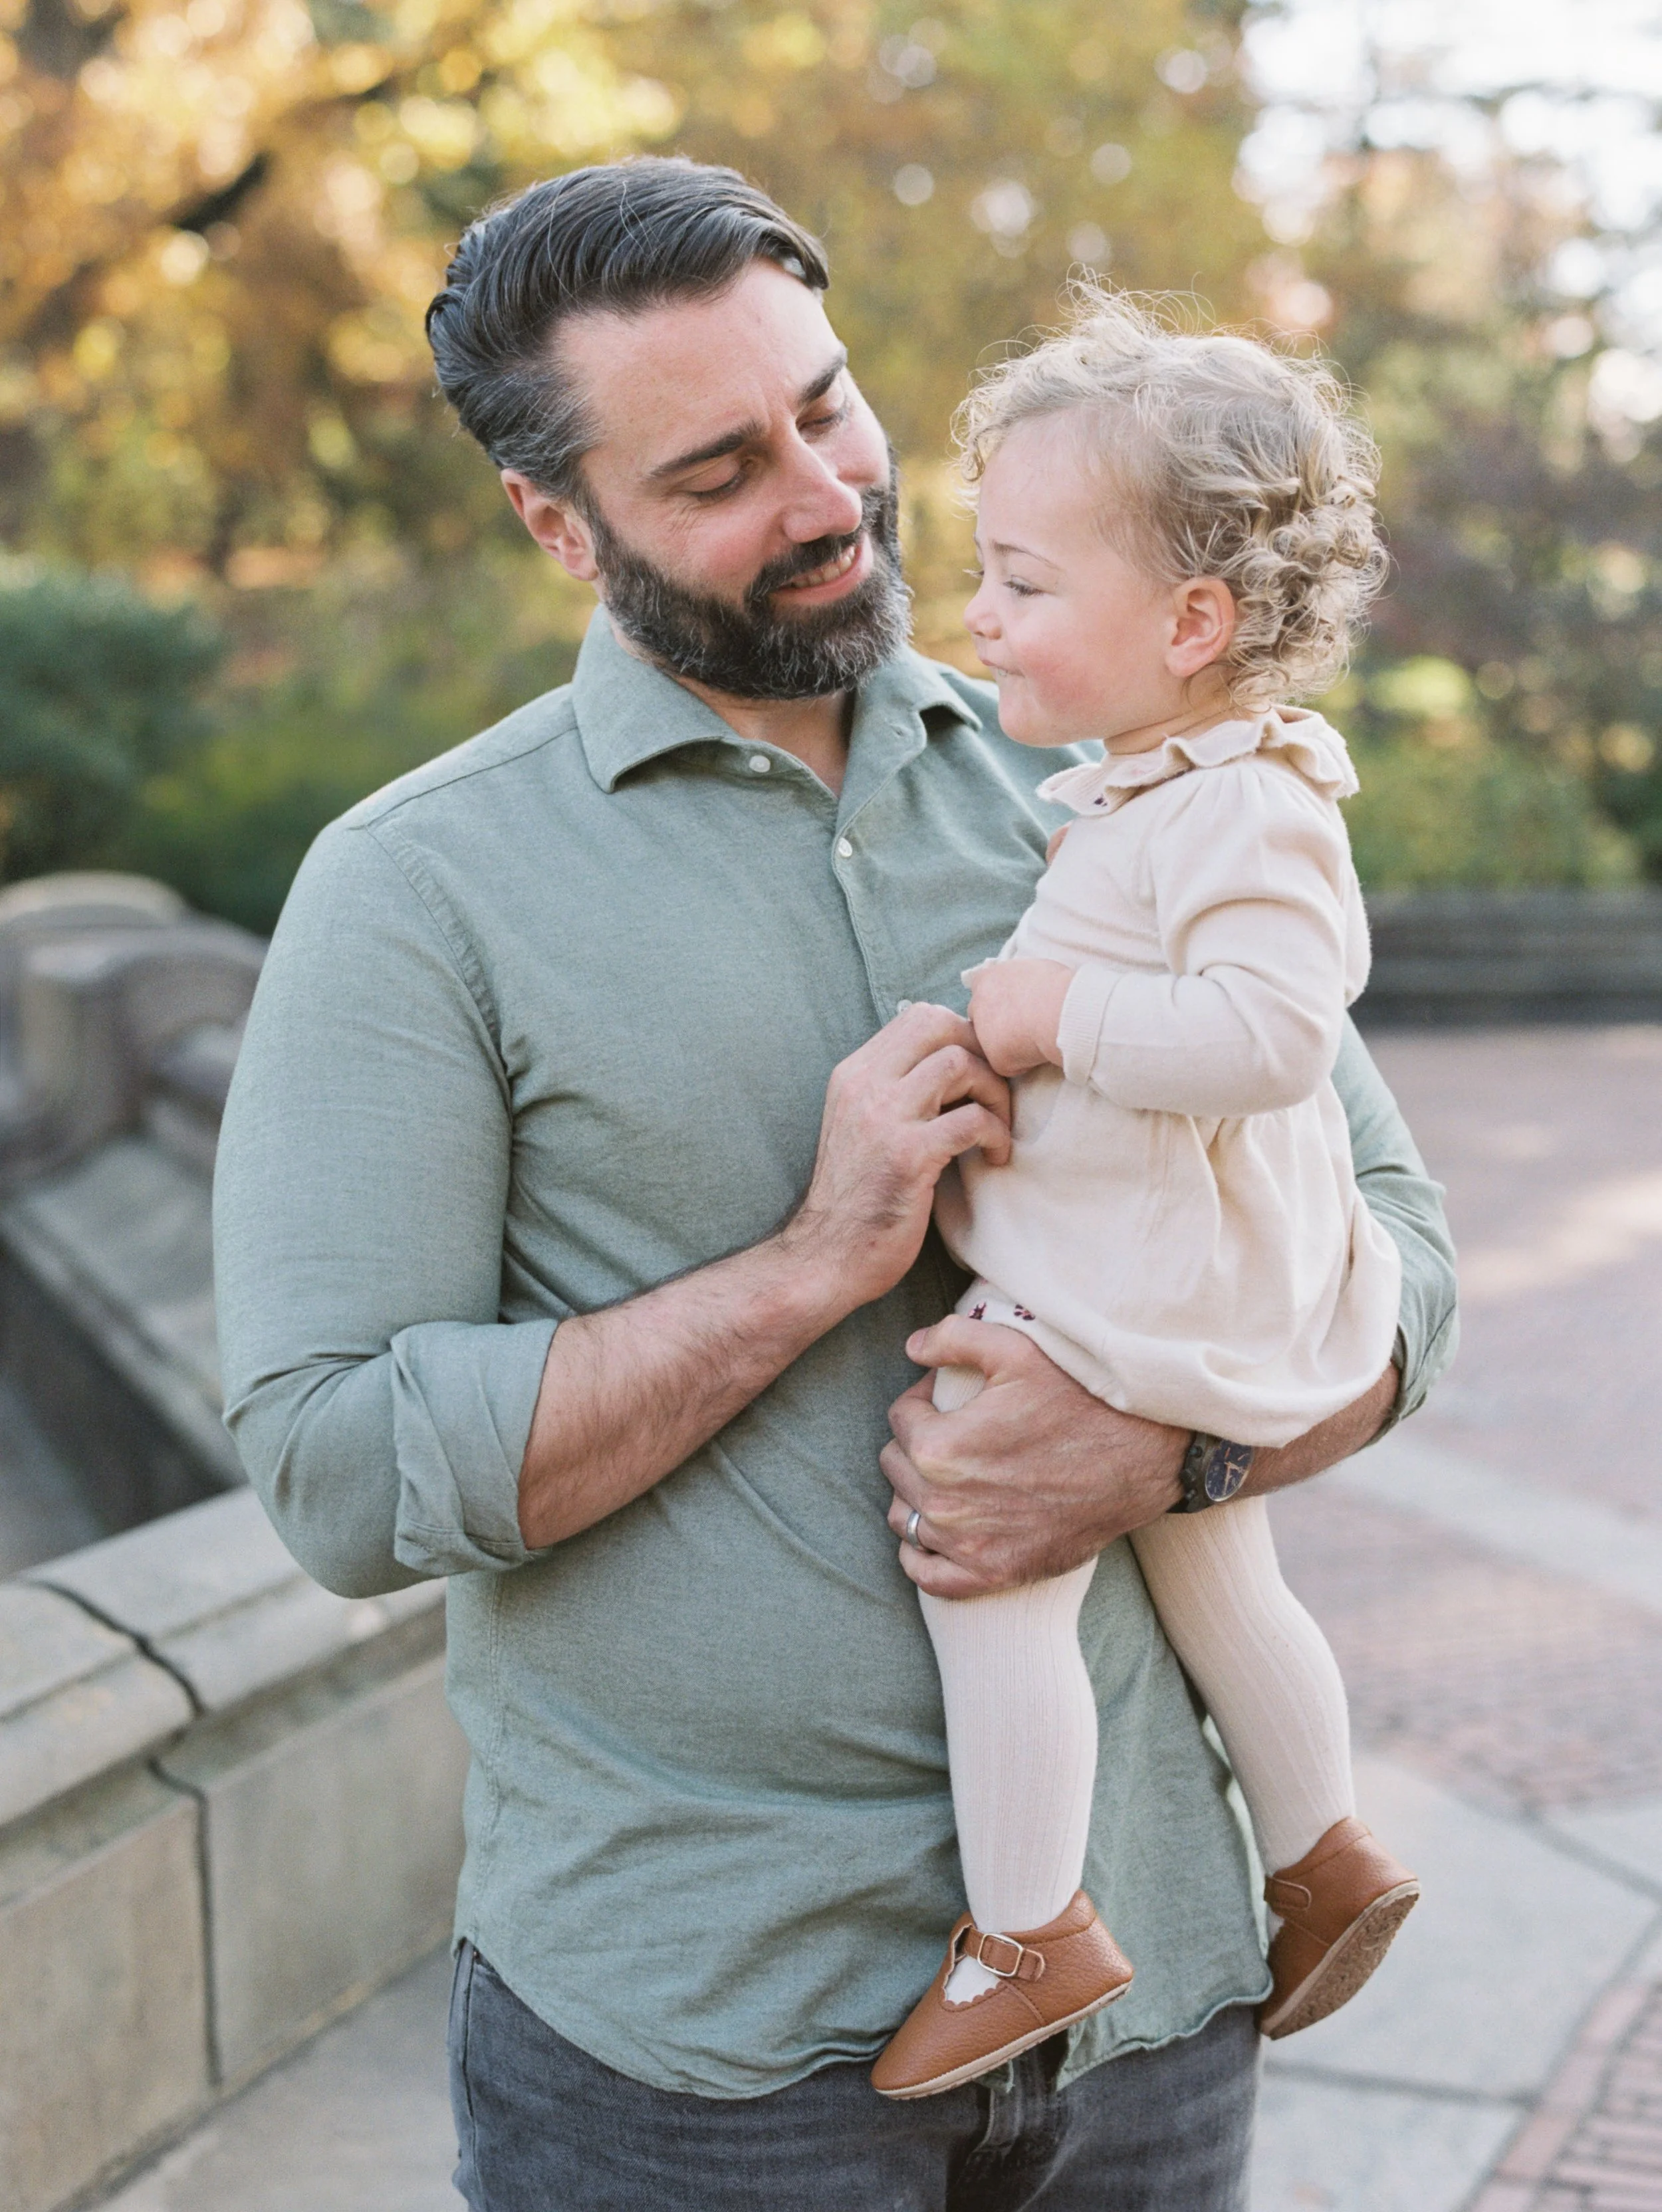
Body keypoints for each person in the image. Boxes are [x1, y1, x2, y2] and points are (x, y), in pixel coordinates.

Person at [212, 158, 1458, 2212]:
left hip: (1151, 2015)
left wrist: (1168, 1460)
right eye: (716, 468)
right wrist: (812, 1262)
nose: (824, 495)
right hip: (691, 2054)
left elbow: (1396, 1259)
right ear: (555, 519)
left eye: (829, 404)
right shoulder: (416, 891)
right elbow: (338, 1471)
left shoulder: (1130, 766)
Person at [871, 290, 1419, 2105]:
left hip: (1146, 1289)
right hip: (1164, 1268)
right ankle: (1324, 1850)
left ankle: (1029, 1931)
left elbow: (1270, 1032)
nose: (979, 618)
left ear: (1190, 621)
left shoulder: (1246, 806)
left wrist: (1045, 1016)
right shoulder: (1150, 782)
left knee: (990, 1560)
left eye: (1022, 583)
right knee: (1210, 1556)